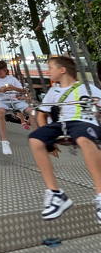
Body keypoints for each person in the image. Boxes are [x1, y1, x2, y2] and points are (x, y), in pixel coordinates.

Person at [29, 55, 101, 221]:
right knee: (34, 139)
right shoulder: (53, 91)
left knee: (83, 138)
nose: (48, 72)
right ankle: (56, 194)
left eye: (51, 68)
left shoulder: (88, 88)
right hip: (63, 124)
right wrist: (47, 142)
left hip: (84, 122)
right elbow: (41, 114)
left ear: (62, 70)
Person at [0, 60, 35, 155]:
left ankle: (37, 135)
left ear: (5, 70)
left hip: (15, 100)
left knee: (32, 111)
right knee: (0, 112)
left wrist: (13, 88)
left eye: (0, 71)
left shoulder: (12, 79)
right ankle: (4, 141)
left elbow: (23, 90)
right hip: (2, 101)